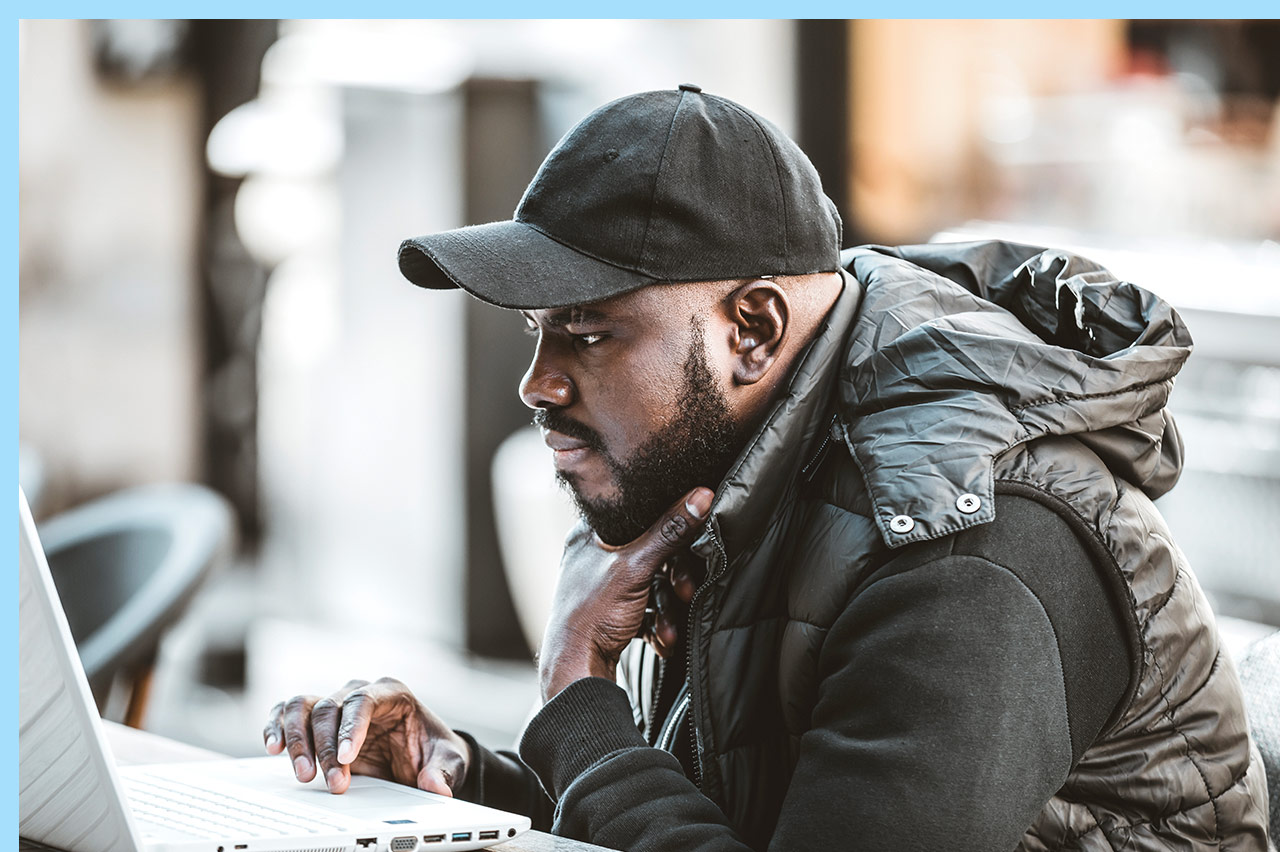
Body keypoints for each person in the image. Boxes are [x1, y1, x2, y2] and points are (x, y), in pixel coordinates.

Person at [263, 86, 1272, 850]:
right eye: (537, 330)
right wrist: (464, 780)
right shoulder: (740, 483)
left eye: (585, 332)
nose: (537, 383)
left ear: (751, 329)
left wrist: (577, 701)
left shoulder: (966, 548)